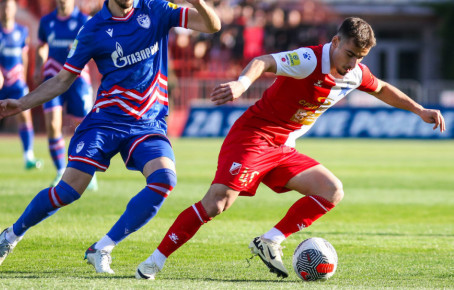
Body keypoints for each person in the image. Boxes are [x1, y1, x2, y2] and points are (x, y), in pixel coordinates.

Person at [135, 17, 445, 280]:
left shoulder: (354, 73)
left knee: (331, 190)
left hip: (283, 147)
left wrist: (419, 110)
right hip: (253, 137)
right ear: (336, 41)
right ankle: (154, 261)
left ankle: (270, 240)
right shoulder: (309, 60)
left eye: (360, 58)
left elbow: (382, 89)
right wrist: (242, 84)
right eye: (349, 54)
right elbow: (263, 61)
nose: (353, 64)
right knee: (217, 203)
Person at [0, 0, 220, 274]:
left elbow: (212, 26)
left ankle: (102, 248)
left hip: (148, 123)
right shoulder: (92, 30)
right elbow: (61, 80)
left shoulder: (156, 11)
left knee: (165, 180)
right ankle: (11, 236)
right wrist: (19, 104)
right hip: (106, 122)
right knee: (68, 191)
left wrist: (198, 3)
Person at [34, 0, 95, 188]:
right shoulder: (46, 21)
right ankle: (61, 170)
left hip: (77, 79)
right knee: (53, 125)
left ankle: (87, 171)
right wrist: (37, 67)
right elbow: (41, 46)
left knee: (82, 128)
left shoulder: (85, 21)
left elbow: (95, 48)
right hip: (52, 76)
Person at [0, 0, 42, 172]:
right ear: (0, 10)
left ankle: (28, 156)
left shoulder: (22, 31)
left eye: (10, 8)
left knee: (24, 115)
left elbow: (25, 56)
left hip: (16, 83)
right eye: (4, 7)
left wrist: (23, 76)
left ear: (14, 10)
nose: (7, 11)